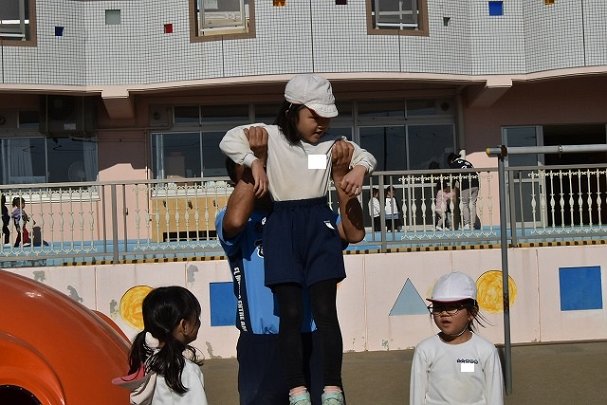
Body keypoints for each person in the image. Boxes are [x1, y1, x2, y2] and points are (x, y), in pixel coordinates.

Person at [220, 73, 375, 405]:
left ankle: (331, 387)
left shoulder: (325, 148)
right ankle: (297, 389)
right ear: (292, 111)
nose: (321, 123)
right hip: (260, 339)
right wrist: (254, 161)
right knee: (288, 312)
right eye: (314, 115)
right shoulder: (269, 141)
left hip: (316, 225)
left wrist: (354, 171)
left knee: (326, 311)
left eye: (326, 117)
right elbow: (230, 141)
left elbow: (361, 161)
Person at [410, 272, 504, 405]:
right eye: (438, 308)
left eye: (452, 307)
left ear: (472, 313)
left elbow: (495, 397)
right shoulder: (424, 350)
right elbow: (417, 397)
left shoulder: (486, 350)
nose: (444, 313)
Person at [115, 286, 209, 405]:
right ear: (184, 325)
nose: (199, 323)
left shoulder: (149, 363)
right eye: (197, 318)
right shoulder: (187, 371)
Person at [448, 152, 480, 230]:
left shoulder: (454, 164)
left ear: (451, 160)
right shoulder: (467, 162)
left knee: (465, 203)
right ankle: (472, 224)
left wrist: (452, 187)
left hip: (466, 184)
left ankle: (467, 224)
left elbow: (453, 177)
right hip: (475, 183)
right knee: (473, 204)